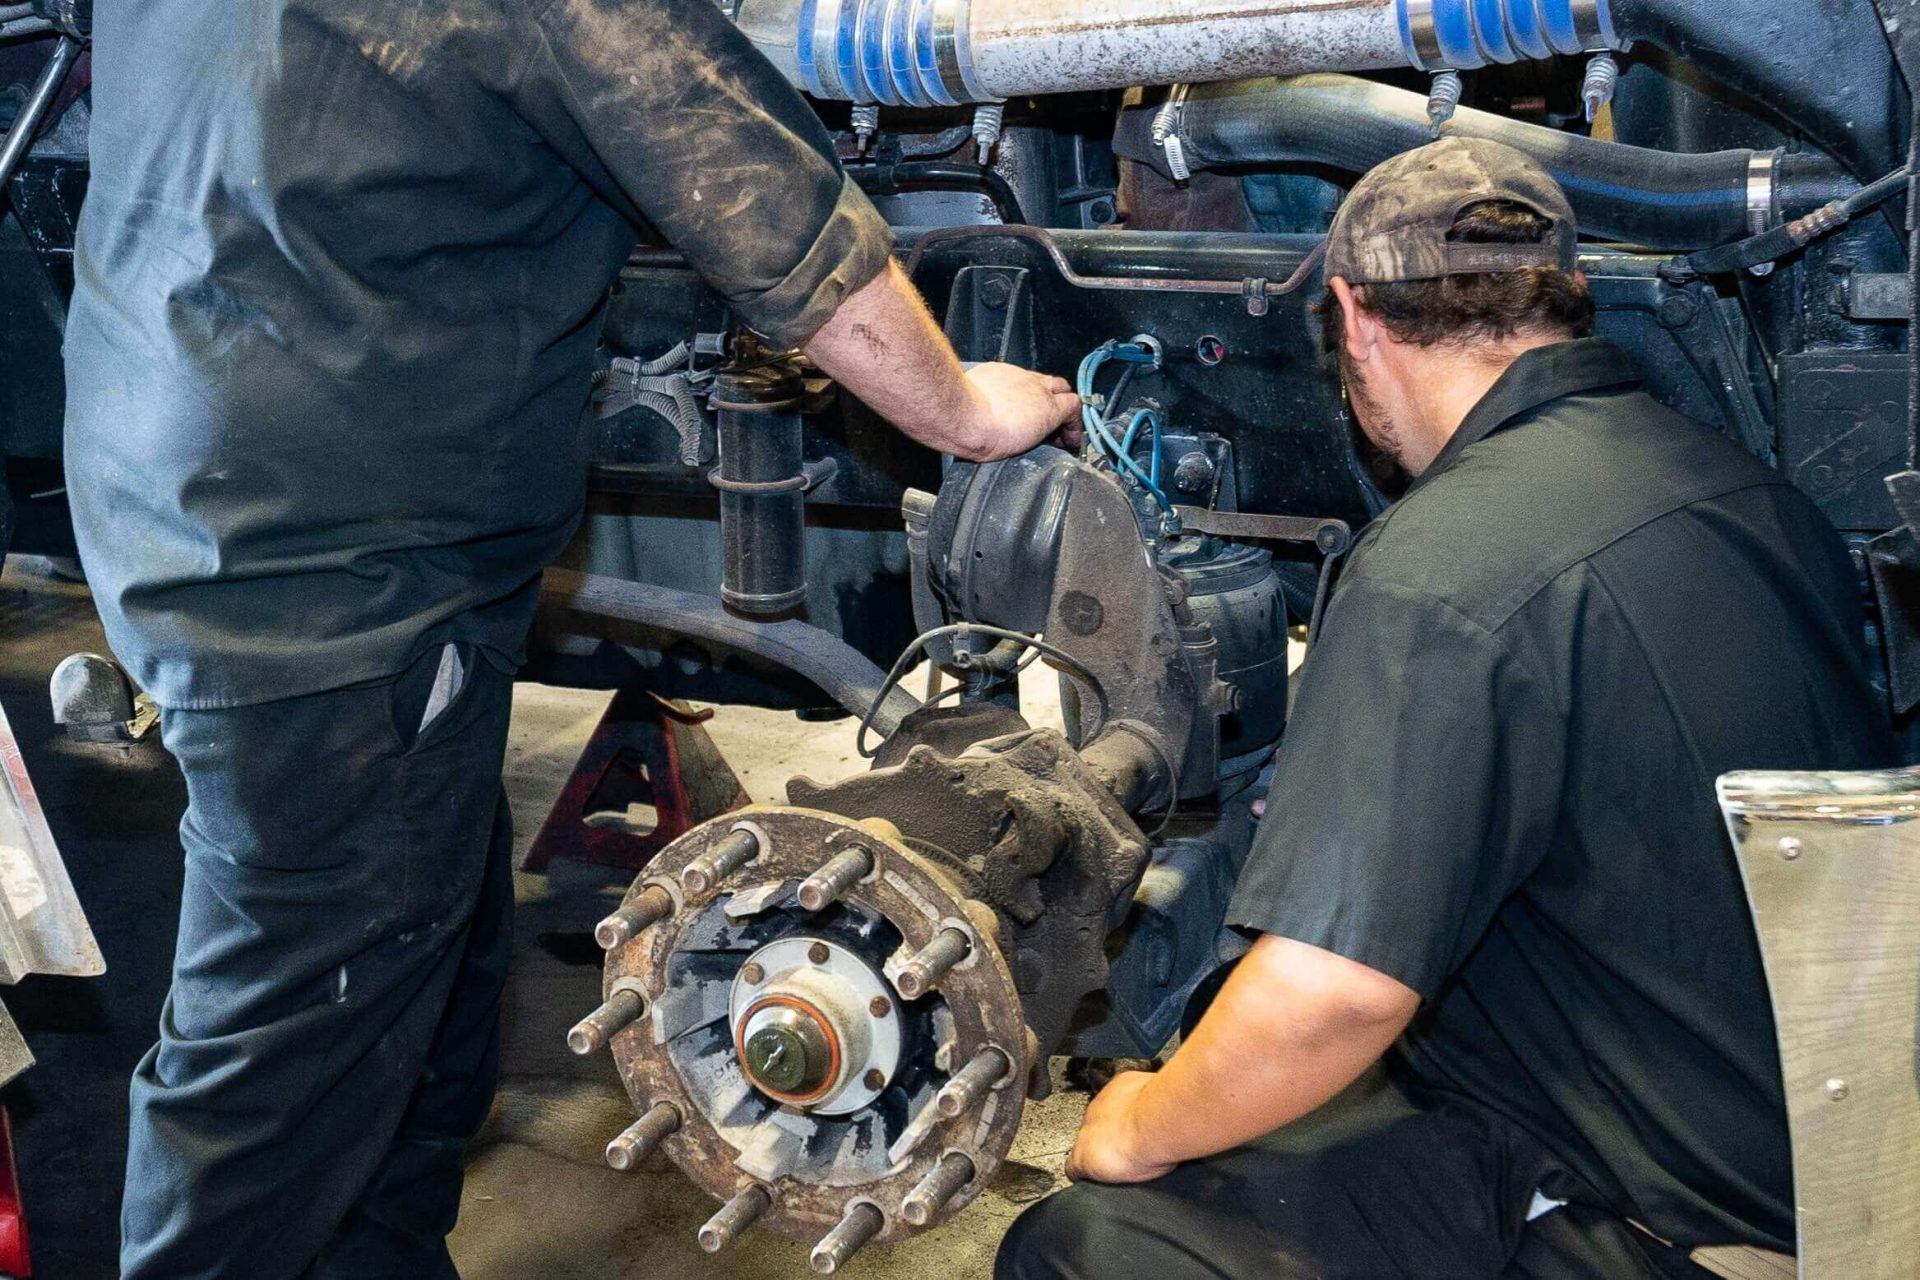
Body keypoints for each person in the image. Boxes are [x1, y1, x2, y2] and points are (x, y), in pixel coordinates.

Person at [62, 2, 1078, 1275]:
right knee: (286, 1063)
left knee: (418, 993)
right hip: (330, 575)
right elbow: (766, 210)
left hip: (192, 492)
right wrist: (963, 410)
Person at [996, 137, 1895, 1279]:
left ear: (1351, 317)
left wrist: (1138, 1122)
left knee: (1084, 1246)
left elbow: (1333, 996)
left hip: (1671, 1226)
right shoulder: (1755, 495)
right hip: (1815, 1149)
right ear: (1570, 294)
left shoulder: (1436, 573)